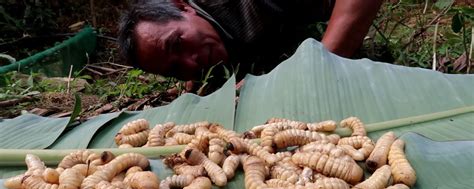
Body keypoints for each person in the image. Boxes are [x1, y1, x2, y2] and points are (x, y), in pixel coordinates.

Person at [118, 0, 383, 83]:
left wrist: (318, 64)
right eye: (174, 69)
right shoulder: (200, 60)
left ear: (183, 7)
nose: (191, 61)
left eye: (176, 43)